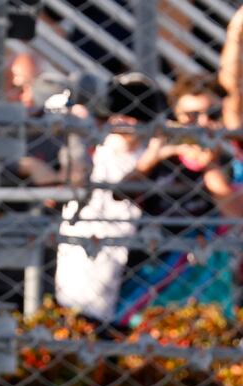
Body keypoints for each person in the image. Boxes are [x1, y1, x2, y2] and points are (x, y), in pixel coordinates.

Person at [67, 74, 242, 328]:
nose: (202, 124)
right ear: (175, 118)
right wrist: (155, 156)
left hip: (210, 284)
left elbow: (235, 211)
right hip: (152, 282)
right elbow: (120, 193)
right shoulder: (160, 156)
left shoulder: (230, 160)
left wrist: (209, 167)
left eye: (212, 114)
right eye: (191, 116)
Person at [55, 72, 167, 327]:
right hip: (84, 251)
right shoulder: (97, 147)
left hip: (131, 263)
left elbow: (125, 188)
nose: (124, 122)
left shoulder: (150, 154)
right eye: (118, 114)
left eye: (135, 116)